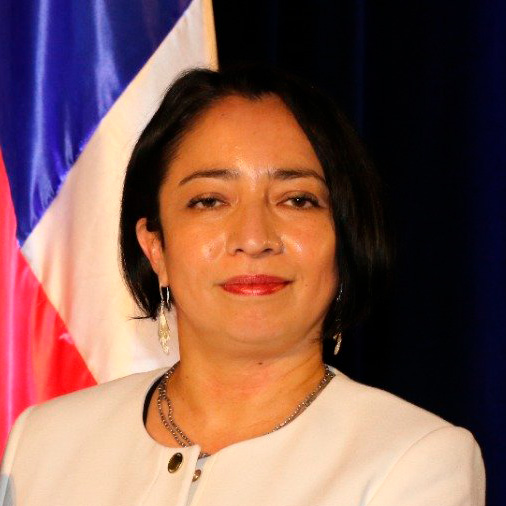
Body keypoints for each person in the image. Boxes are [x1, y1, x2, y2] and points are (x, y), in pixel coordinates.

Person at [0, 65, 485, 506]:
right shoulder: (42, 443)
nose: (254, 239)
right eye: (210, 201)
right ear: (156, 247)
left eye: (297, 200)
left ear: (346, 238)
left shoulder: (413, 460)